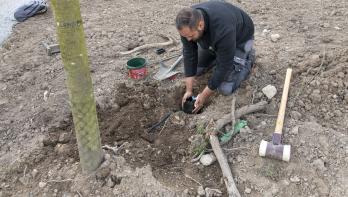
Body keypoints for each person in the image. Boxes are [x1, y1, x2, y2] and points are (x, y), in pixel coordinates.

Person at [176, 1, 255, 113]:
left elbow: (224, 66)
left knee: (225, 88)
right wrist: (188, 90)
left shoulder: (223, 28)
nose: (188, 39)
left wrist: (204, 95)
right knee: (197, 70)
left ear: (200, 25)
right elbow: (189, 53)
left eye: (190, 36)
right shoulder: (187, 23)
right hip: (217, 40)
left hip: (241, 39)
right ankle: (219, 53)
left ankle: (247, 57)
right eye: (185, 36)